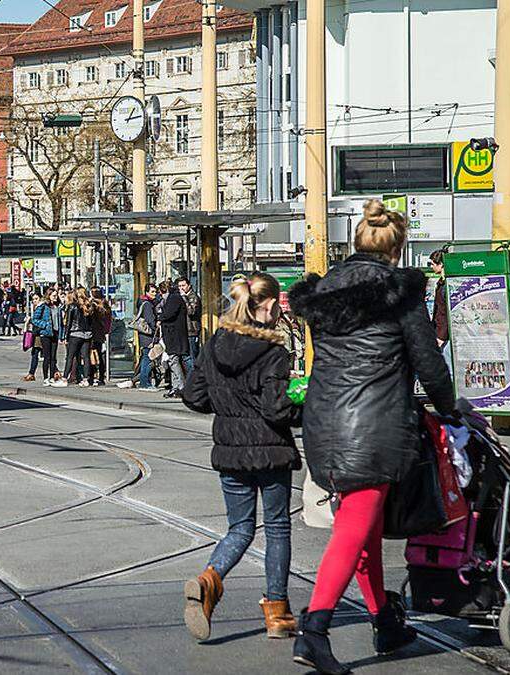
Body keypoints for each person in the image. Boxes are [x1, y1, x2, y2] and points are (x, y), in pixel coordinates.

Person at [288, 200, 457, 674]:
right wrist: (451, 409)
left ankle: (385, 618)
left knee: (365, 526)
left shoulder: (324, 291)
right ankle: (315, 629)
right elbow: (428, 362)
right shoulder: (400, 292)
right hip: (374, 424)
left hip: (325, 422)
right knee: (355, 527)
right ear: (397, 249)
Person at [181, 273, 301, 642]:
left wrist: (227, 403)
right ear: (265, 307)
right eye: (277, 308)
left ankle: (209, 580)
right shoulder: (274, 352)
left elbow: (194, 396)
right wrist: (303, 403)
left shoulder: (215, 343)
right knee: (277, 526)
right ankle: (277, 613)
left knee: (240, 529)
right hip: (270, 452)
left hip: (230, 451)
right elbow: (276, 409)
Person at [158, 280, 189, 398]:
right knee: (173, 360)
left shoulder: (174, 299)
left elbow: (168, 314)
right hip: (173, 335)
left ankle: (181, 387)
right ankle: (176, 387)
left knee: (174, 360)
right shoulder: (174, 298)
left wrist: (160, 317)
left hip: (174, 336)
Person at [31, 289, 65, 386]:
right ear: (48, 296)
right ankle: (46, 378)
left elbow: (60, 322)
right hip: (45, 334)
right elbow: (34, 319)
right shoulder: (43, 306)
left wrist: (62, 335)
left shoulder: (58, 306)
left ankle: (52, 377)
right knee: (47, 356)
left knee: (53, 357)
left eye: (56, 295)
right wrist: (45, 325)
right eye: (53, 295)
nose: (55, 297)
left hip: (55, 333)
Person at [61, 288, 94, 386]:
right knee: (86, 357)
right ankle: (86, 379)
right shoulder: (89, 306)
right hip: (87, 335)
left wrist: (65, 337)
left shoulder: (72, 306)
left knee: (70, 357)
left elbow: (69, 323)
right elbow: (91, 322)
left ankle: (64, 379)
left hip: (75, 334)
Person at [133, 285, 159, 390]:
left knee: (146, 358)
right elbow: (150, 320)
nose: (155, 294)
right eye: (152, 292)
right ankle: (145, 383)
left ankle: (144, 381)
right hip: (148, 336)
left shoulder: (143, 302)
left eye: (155, 292)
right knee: (147, 359)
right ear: (146, 292)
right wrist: (156, 329)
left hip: (143, 336)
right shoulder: (147, 304)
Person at [430, 248, 451, 371]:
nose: (431, 267)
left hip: (445, 334)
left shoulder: (445, 285)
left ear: (441, 264)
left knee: (447, 366)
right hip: (442, 332)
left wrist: (441, 336)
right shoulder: (442, 283)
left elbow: (445, 312)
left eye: (432, 263)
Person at [89, 287, 112, 386]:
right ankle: (101, 377)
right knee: (100, 355)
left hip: (92, 333)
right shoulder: (105, 305)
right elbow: (109, 320)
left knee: (90, 355)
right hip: (101, 333)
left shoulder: (93, 305)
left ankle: (91, 376)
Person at [178, 278, 202, 370]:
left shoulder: (193, 297)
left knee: (191, 356)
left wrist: (184, 297)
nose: (181, 288)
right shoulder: (182, 296)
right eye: (179, 286)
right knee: (186, 357)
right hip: (184, 330)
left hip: (191, 331)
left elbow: (191, 311)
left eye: (183, 285)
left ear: (189, 285)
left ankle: (195, 379)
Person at [23, 293, 43, 382]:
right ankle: (31, 373)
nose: (35, 301)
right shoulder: (36, 308)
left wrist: (31, 320)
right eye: (33, 299)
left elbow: (40, 321)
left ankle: (31, 374)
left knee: (38, 354)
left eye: (36, 298)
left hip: (41, 334)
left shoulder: (42, 308)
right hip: (36, 334)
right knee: (37, 354)